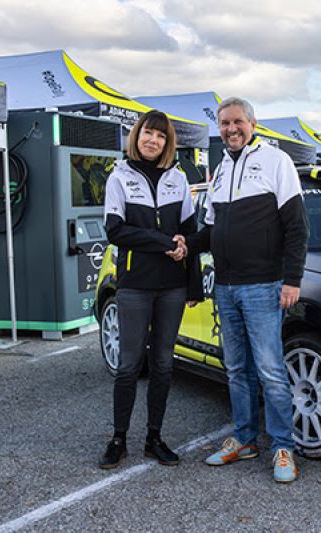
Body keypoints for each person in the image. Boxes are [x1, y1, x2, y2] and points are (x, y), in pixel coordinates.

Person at [188, 97, 309, 483]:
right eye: (224, 123)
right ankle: (243, 439)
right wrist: (185, 245)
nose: (231, 128)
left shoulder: (276, 161)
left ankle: (283, 447)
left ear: (253, 125)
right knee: (237, 368)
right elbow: (211, 228)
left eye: (237, 121)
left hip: (263, 285)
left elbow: (296, 226)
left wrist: (292, 279)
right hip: (226, 286)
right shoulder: (221, 169)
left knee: (271, 371)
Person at [99, 110, 196, 469]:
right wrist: (162, 242)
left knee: (164, 365)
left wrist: (191, 278)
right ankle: (118, 439)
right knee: (128, 366)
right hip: (135, 285)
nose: (153, 140)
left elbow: (189, 232)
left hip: (172, 286)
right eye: (147, 133)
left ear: (167, 142)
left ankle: (154, 438)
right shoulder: (119, 176)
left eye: (160, 135)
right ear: (136, 136)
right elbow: (115, 230)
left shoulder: (179, 178)